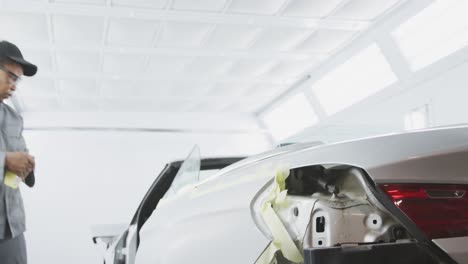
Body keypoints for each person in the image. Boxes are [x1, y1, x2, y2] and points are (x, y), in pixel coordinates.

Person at [0, 40, 38, 264]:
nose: (14, 86)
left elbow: (19, 162)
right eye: (11, 77)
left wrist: (26, 166)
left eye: (18, 80)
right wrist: (6, 161)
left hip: (11, 229)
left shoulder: (15, 118)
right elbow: (8, 162)